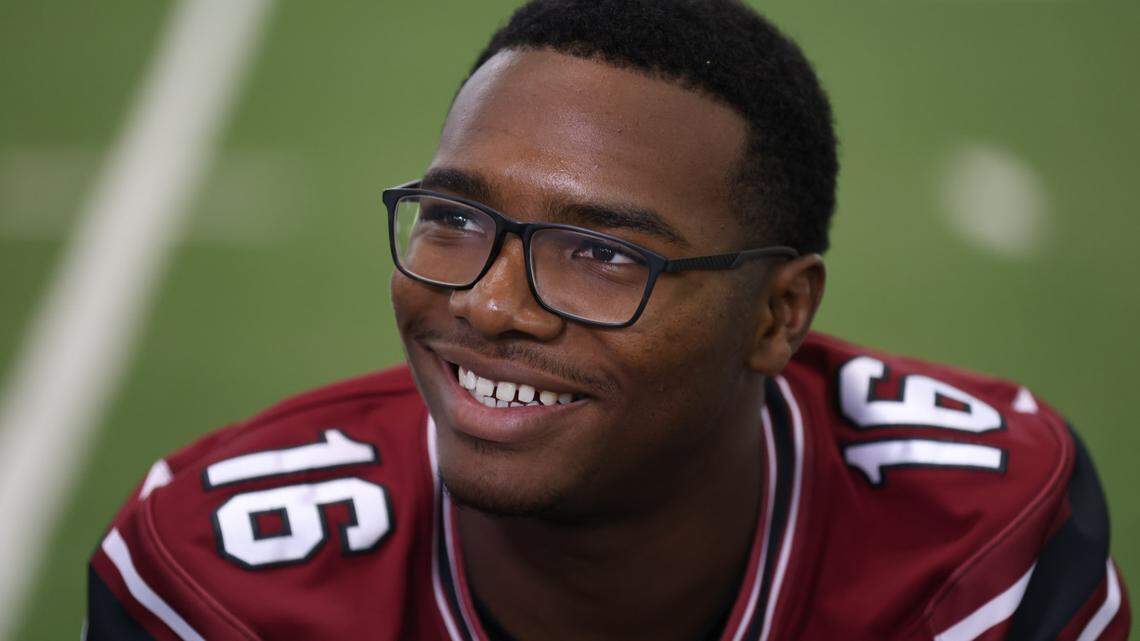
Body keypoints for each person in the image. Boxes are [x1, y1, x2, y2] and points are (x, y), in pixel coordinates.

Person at [85, 1, 1129, 639]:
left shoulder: (983, 549)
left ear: (780, 314)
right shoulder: (216, 583)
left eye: (602, 253)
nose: (489, 303)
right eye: (454, 217)